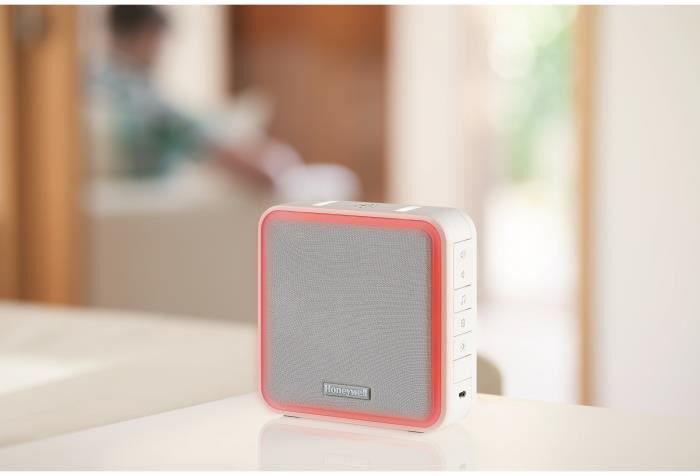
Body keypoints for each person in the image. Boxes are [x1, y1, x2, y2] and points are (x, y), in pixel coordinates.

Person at [88, 5, 284, 186]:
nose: (163, 52)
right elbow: (199, 138)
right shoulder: (141, 99)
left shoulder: (91, 79)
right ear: (148, 36)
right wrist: (273, 165)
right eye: (161, 41)